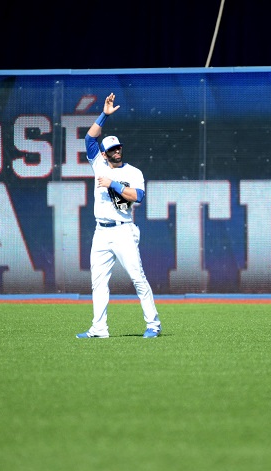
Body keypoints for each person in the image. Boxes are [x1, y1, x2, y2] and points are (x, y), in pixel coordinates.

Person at [76, 92, 162, 339]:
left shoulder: (133, 172)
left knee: (137, 277)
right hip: (101, 232)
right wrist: (104, 114)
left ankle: (153, 325)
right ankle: (99, 329)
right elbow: (89, 138)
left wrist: (113, 184)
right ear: (104, 153)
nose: (116, 152)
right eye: (112, 149)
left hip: (123, 229)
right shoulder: (98, 164)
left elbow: (139, 196)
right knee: (98, 282)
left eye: (118, 148)